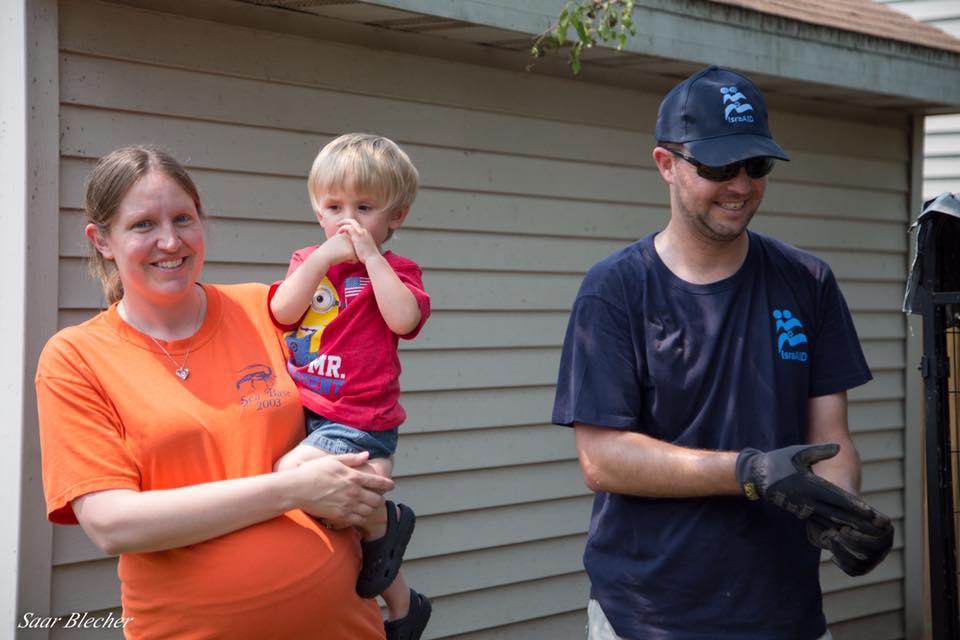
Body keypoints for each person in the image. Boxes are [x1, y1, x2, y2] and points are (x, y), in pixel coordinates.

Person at [552, 65, 894, 639]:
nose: (741, 185)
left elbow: (831, 437)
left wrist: (842, 509)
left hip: (787, 616)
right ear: (666, 164)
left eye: (756, 166)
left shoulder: (807, 281)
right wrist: (750, 472)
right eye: (718, 167)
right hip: (649, 618)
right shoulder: (614, 289)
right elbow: (602, 460)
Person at [36, 145, 396, 639]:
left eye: (183, 218)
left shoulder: (268, 309)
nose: (170, 241)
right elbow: (112, 524)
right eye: (143, 225)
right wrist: (291, 489)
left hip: (345, 625)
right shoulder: (76, 357)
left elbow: (354, 397)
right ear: (101, 240)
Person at [270, 133, 432, 640]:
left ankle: (382, 520)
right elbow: (282, 312)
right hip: (311, 414)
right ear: (317, 212)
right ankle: (401, 591)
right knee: (348, 518)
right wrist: (321, 260)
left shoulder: (398, 272)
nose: (348, 220)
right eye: (334, 206)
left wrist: (372, 260)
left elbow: (404, 320)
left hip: (359, 420)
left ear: (395, 218)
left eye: (364, 208)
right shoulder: (307, 263)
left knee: (287, 473)